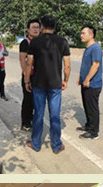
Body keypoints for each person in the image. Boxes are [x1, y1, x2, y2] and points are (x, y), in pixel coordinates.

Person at [24, 15, 71, 154]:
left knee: (38, 113)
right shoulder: (63, 42)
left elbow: (28, 63)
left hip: (38, 84)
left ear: (42, 27)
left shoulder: (35, 42)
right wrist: (66, 80)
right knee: (55, 114)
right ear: (54, 27)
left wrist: (27, 80)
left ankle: (36, 144)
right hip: (55, 84)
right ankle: (56, 145)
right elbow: (67, 65)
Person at [77, 26, 103, 140]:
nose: (81, 35)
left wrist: (87, 79)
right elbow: (85, 65)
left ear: (91, 35)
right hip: (85, 82)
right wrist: (81, 77)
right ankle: (89, 126)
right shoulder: (88, 48)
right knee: (87, 106)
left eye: (83, 33)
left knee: (92, 108)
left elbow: (95, 65)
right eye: (81, 33)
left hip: (93, 84)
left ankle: (93, 132)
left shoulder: (95, 48)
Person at [19, 19, 41, 131]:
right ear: (28, 30)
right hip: (29, 76)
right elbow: (23, 61)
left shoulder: (41, 42)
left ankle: (32, 118)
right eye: (33, 27)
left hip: (39, 77)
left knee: (36, 100)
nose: (36, 29)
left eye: (37, 27)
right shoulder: (25, 43)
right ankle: (25, 122)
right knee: (27, 99)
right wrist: (26, 77)